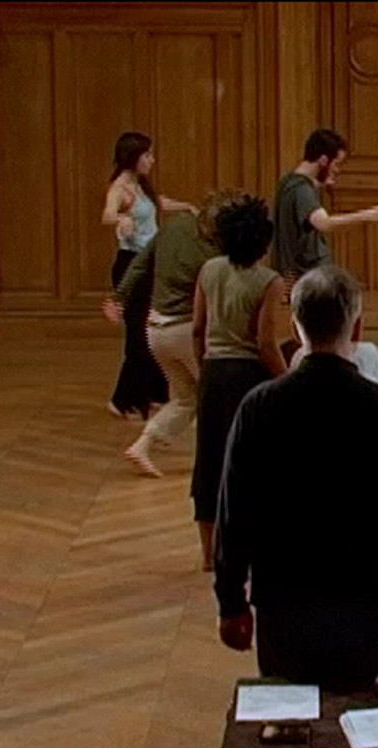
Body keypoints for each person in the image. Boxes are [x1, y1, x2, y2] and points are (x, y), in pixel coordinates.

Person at [213, 265, 378, 691]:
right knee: (360, 711)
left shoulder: (259, 406)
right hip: (365, 597)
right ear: (358, 327)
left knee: (288, 710)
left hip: (283, 597)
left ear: (295, 328)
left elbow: (234, 512)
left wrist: (231, 602)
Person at [104, 190, 241, 477]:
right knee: (220, 397)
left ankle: (142, 446)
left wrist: (119, 297)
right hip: (186, 332)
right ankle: (222, 462)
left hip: (155, 330)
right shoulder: (215, 255)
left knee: (186, 399)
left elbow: (140, 263)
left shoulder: (175, 225)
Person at [192, 193, 287, 569]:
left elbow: (198, 329)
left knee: (209, 460)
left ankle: (209, 553)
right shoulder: (269, 281)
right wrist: (287, 379)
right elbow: (265, 343)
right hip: (249, 376)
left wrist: (204, 368)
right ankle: (252, 546)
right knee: (253, 460)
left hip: (214, 371)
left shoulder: (209, 270)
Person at [101, 131, 195, 419]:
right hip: (132, 265)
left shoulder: (140, 185)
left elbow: (158, 203)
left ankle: (154, 393)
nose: (152, 160)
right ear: (133, 157)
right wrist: (121, 218)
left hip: (150, 263)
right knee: (138, 335)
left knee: (154, 328)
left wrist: (186, 207)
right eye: (147, 155)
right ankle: (122, 399)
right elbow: (107, 214)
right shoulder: (120, 188)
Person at [273, 128, 378, 295]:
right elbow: (324, 223)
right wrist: (372, 215)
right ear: (323, 160)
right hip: (309, 280)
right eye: (336, 164)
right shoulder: (301, 189)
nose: (337, 170)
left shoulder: (288, 183)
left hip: (301, 278)